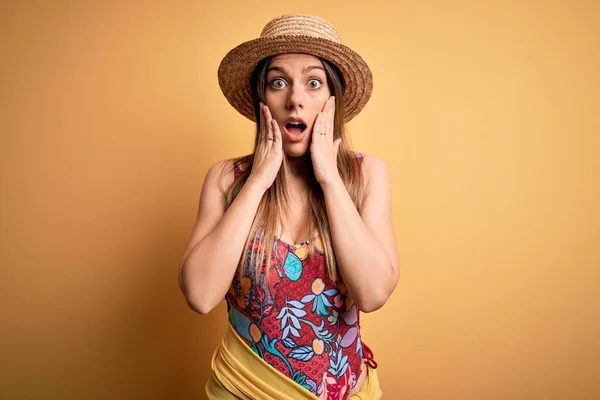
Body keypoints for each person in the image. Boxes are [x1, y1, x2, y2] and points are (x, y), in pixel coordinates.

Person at [179, 13, 399, 400]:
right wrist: (258, 181)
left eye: (313, 83)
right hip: (242, 389)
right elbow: (199, 294)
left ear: (334, 102)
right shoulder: (226, 179)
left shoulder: (365, 176)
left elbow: (373, 293)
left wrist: (330, 178)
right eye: (278, 82)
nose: (294, 98)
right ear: (261, 99)